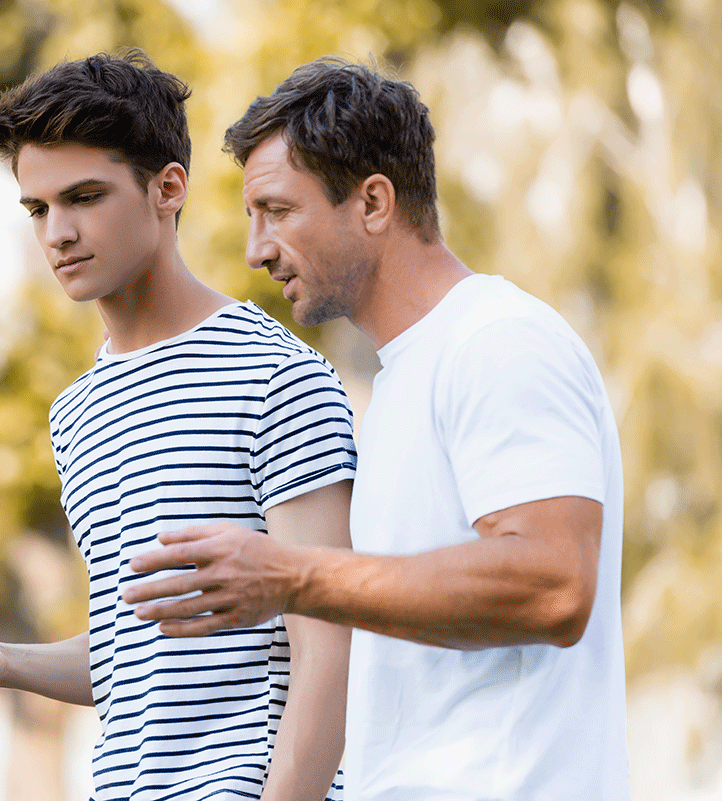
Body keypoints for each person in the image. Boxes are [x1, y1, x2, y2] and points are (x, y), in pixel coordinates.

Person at [124, 57, 631, 800]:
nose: (256, 249)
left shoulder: (498, 340)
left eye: (278, 211)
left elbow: (554, 582)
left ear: (372, 202)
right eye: (251, 217)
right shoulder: (400, 382)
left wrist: (292, 575)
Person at [0, 50, 356, 801]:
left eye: (84, 196)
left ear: (167, 188)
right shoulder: (76, 411)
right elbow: (133, 655)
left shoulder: (275, 374)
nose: (58, 233)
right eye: (38, 208)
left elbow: (330, 641)